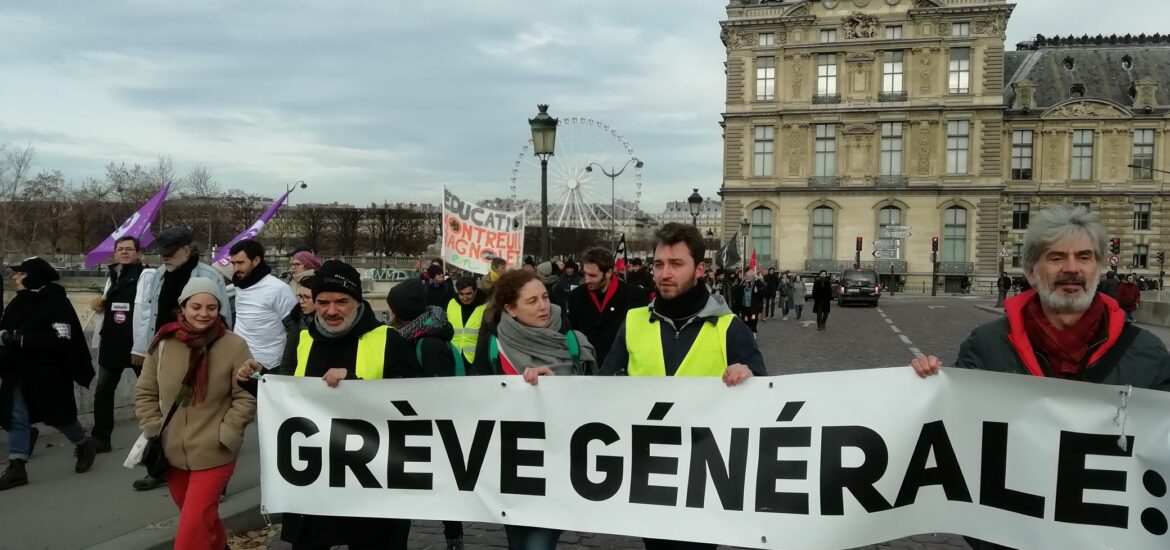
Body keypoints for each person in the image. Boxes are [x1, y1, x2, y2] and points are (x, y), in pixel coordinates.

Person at [910, 205, 1170, 550]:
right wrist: (926, 385)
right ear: (1032, 271)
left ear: (1100, 268)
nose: (1072, 269)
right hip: (1010, 536)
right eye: (1056, 257)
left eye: (1084, 257)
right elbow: (953, 430)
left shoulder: (1148, 353)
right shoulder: (986, 346)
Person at [237, 260, 420, 550]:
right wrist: (257, 380)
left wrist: (355, 384)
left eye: (341, 302)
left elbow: (417, 403)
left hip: (372, 481)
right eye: (323, 302)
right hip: (317, 477)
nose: (331, 311)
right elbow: (288, 399)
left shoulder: (388, 340)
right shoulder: (303, 338)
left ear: (357, 302)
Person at [602, 224, 763, 550]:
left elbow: (765, 396)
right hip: (649, 473)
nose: (664, 273)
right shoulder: (633, 322)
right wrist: (553, 385)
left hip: (706, 480)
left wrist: (749, 374)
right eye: (659, 264)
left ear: (699, 269)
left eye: (676, 264)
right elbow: (601, 388)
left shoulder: (730, 328)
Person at [470, 269, 598, 550]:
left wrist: (558, 386)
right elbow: (477, 402)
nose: (543, 306)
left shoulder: (572, 340)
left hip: (560, 465)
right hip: (513, 467)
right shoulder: (494, 347)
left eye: (544, 297)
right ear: (510, 309)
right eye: (531, 301)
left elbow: (594, 400)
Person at [134, 278, 256, 549]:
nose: (204, 313)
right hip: (172, 450)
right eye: (196, 306)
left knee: (192, 526)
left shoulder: (234, 345)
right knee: (202, 518)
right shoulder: (163, 342)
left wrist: (228, 432)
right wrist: (154, 426)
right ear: (183, 307)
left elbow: (245, 395)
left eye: (211, 307)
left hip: (216, 450)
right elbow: (145, 391)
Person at [0, 257, 100, 490]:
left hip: (48, 373)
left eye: (20, 274)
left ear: (33, 277)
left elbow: (62, 338)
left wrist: (21, 340)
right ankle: (17, 466)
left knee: (59, 417)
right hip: (17, 371)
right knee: (17, 416)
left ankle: (84, 442)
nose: (15, 278)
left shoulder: (56, 302)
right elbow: (5, 325)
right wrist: (5, 334)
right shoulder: (18, 302)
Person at [89, 236, 147, 452]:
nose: (124, 252)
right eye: (120, 249)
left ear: (138, 253)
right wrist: (102, 305)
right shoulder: (113, 275)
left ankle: (160, 435)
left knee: (151, 391)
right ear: (114, 253)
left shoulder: (145, 276)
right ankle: (101, 438)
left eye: (129, 249)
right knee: (103, 391)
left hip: (136, 345)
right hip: (111, 342)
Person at [566, 247, 649, 366]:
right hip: (588, 369)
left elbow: (642, 338)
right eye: (585, 274)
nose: (587, 280)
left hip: (622, 371)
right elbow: (572, 335)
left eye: (593, 275)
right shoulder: (575, 297)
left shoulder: (635, 296)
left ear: (608, 273)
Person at [229, 239, 297, 371]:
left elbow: (294, 329)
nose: (236, 268)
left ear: (256, 260)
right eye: (233, 263)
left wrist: (288, 367)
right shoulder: (240, 284)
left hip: (269, 366)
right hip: (239, 361)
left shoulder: (278, 289)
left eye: (240, 263)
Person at [278, 275, 317, 374]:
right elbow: (288, 362)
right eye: (300, 296)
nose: (301, 301)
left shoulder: (332, 325)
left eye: (307, 297)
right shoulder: (297, 322)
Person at [448, 277, 486, 365]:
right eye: (461, 294)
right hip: (454, 356)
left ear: (475, 291)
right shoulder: (451, 303)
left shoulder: (485, 307)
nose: (465, 298)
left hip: (476, 360)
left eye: (468, 294)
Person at [732, 270, 765, 337]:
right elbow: (736, 292)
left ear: (753, 277)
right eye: (746, 276)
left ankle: (753, 331)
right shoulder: (742, 283)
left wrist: (757, 290)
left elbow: (763, 293)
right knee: (745, 319)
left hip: (753, 307)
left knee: (753, 319)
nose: (747, 278)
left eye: (749, 276)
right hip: (744, 307)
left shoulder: (757, 284)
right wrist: (741, 284)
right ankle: (747, 332)